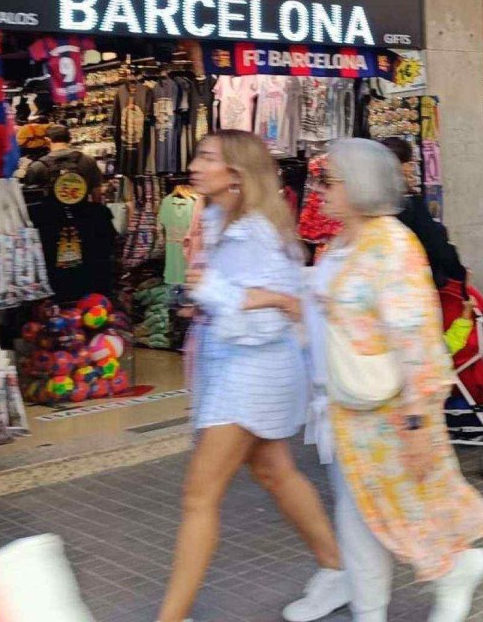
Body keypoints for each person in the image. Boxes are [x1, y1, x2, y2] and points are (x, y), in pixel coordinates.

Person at [158, 130, 346, 622]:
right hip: (236, 369)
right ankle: (337, 567)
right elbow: (254, 302)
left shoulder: (257, 233)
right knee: (274, 471)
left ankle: (171, 617)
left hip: (252, 375)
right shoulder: (220, 219)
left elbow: (270, 318)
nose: (194, 165)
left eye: (207, 157)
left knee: (199, 496)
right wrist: (215, 289)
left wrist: (215, 289)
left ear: (236, 173)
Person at [307, 138, 483, 621]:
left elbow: (416, 336)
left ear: (359, 186)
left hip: (390, 413)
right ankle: (381, 606)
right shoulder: (340, 244)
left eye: (329, 181)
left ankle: (455, 570)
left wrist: (417, 421)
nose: (319, 190)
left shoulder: (392, 244)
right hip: (348, 413)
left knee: (406, 512)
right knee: (360, 519)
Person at [380, 137, 467, 289]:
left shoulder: (370, 207)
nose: (413, 167)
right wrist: (460, 275)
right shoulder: (409, 204)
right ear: (404, 166)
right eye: (410, 162)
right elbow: (438, 246)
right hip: (414, 289)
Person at [22, 124, 103, 196]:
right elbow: (97, 189)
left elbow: (30, 195)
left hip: (51, 211)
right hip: (83, 210)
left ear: (47, 140)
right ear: (70, 139)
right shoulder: (88, 160)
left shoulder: (38, 166)